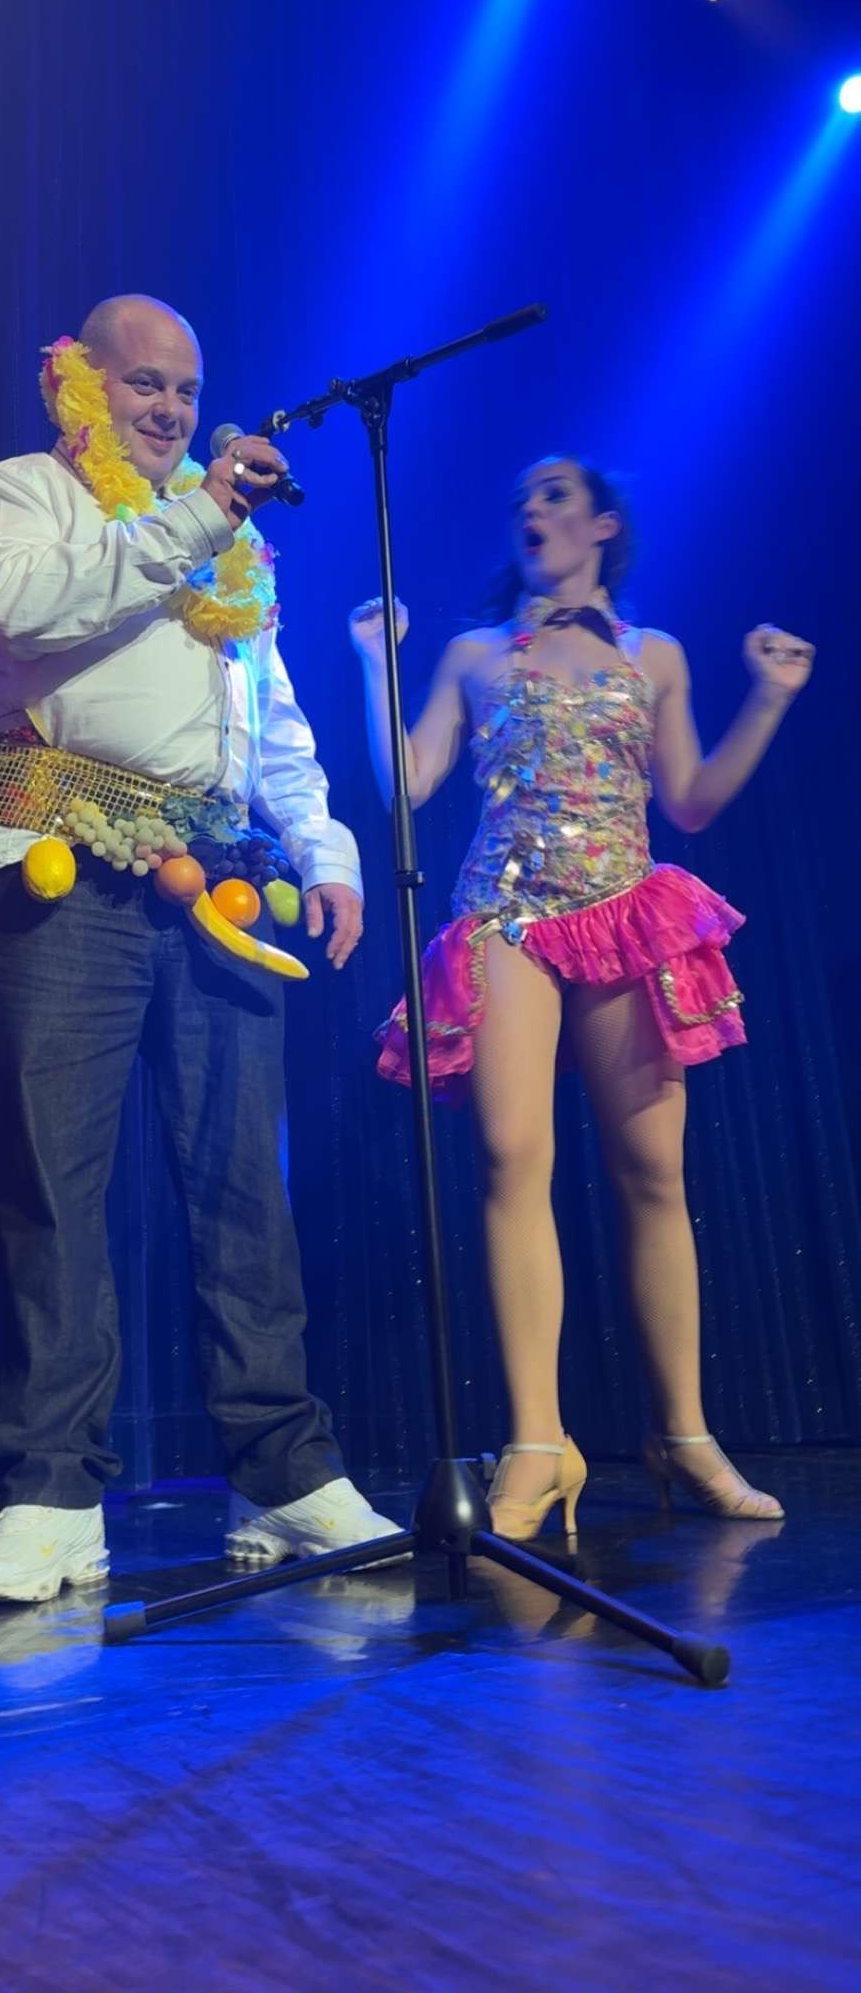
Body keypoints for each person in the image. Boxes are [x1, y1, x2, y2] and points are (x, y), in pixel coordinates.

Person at [0, 292, 400, 1605]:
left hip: (216, 880)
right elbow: (23, 612)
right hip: (61, 862)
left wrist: (324, 849)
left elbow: (269, 717)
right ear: (79, 382)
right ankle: (51, 1495)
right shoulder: (18, 494)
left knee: (244, 1190)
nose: (168, 408)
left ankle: (281, 1472)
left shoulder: (231, 548)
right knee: (53, 1187)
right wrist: (200, 512)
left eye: (186, 390)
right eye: (143, 382)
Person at [350, 456, 813, 1539]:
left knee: (652, 1170)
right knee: (512, 1156)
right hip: (507, 916)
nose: (532, 510)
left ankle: (682, 1436)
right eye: (521, 499)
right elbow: (408, 785)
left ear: (604, 524)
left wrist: (770, 699)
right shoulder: (474, 654)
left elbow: (690, 802)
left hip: (622, 909)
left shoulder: (655, 655)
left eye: (555, 495)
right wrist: (375, 666)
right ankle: (537, 1442)